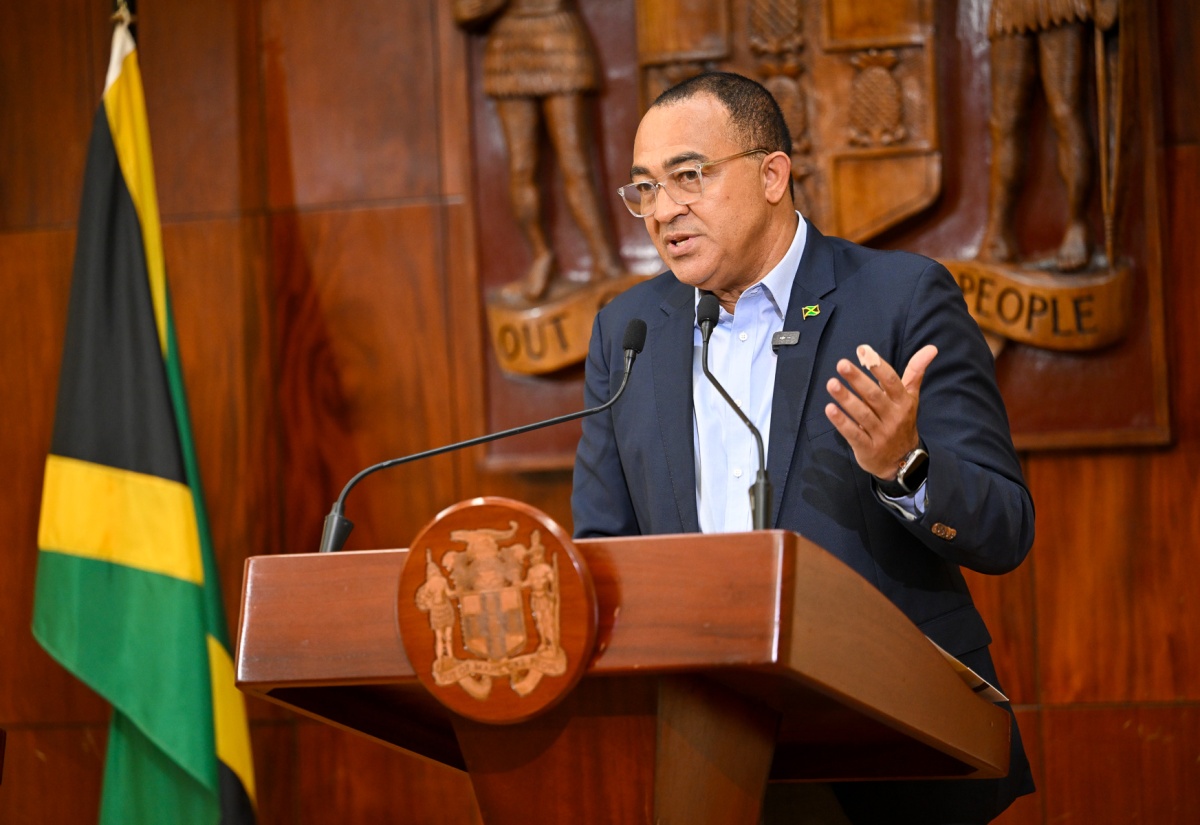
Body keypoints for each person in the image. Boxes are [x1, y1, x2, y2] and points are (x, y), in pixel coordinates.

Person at [572, 71, 1035, 823]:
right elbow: (603, 546)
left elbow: (1005, 526)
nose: (664, 211)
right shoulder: (630, 330)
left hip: (891, 751)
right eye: (645, 189)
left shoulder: (901, 297)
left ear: (772, 174)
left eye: (689, 176)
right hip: (702, 752)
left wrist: (905, 466)